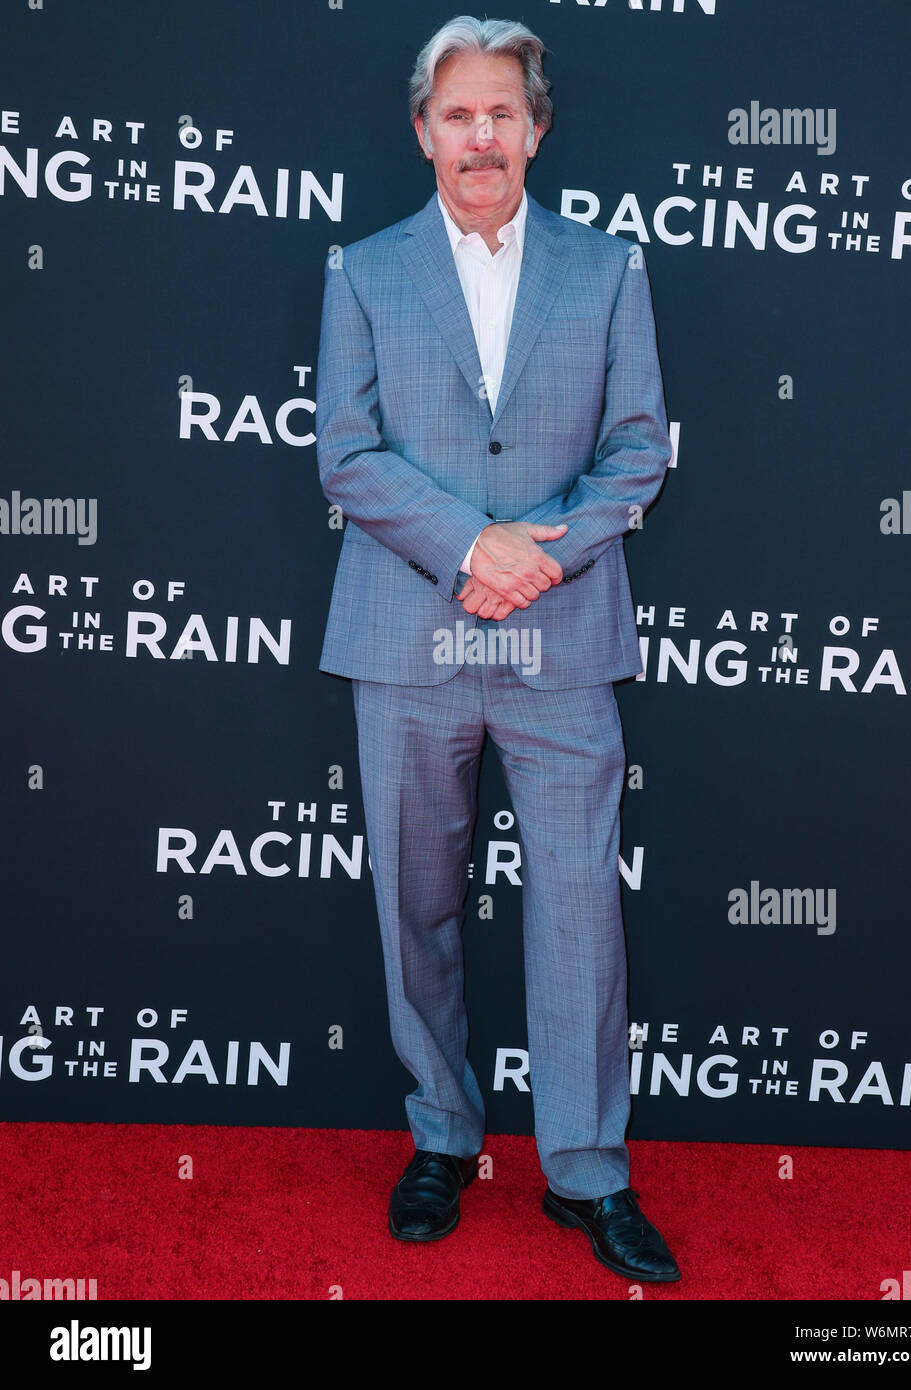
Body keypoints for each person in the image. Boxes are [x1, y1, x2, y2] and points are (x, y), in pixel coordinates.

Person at [315, 14, 679, 1283]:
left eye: (502, 113)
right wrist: (476, 545)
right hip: (405, 631)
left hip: (565, 633)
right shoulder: (361, 272)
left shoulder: (610, 270)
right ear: (423, 131)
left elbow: (640, 446)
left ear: (535, 129)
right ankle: (441, 1133)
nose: (481, 135)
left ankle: (585, 1170)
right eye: (457, 114)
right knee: (416, 898)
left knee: (579, 909)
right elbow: (346, 457)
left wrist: (547, 552)